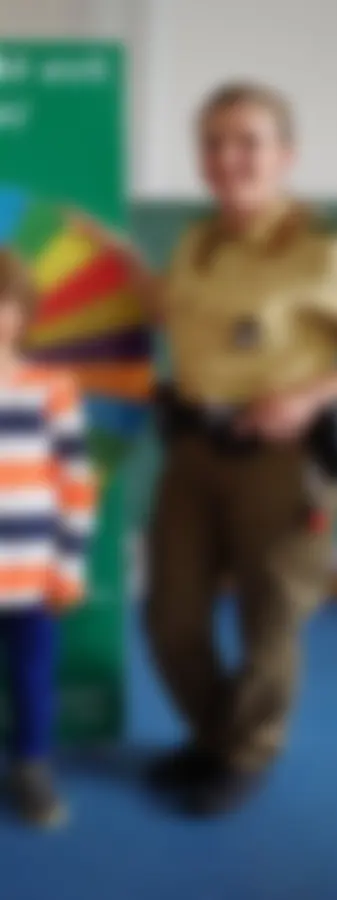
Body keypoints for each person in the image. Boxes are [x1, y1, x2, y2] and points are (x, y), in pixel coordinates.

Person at [135, 82, 337, 816]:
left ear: (284, 155)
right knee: (170, 616)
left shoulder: (323, 249)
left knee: (268, 621)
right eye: (214, 143)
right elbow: (172, 311)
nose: (229, 158)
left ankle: (245, 752)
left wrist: (309, 394)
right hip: (193, 452)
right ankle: (216, 734)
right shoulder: (199, 243)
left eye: (248, 142)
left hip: (282, 462)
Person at [0, 250, 95, 829]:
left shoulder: (51, 388)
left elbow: (76, 482)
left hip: (32, 574)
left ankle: (30, 765)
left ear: (22, 313)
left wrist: (69, 566)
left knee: (33, 677)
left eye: (2, 302)